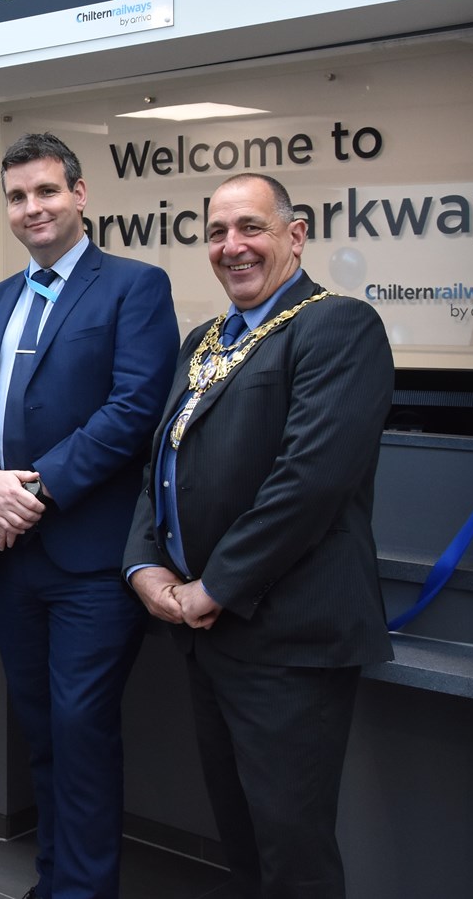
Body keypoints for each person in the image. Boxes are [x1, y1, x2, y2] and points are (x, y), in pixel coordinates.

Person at [123, 173, 394, 899]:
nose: (231, 246)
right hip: (206, 635)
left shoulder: (337, 326)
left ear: (295, 235)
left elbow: (308, 482)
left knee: (292, 853)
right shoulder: (203, 339)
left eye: (251, 228)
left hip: (287, 639)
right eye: (216, 232)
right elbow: (163, 465)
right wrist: (144, 565)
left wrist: (215, 586)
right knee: (240, 839)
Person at [0, 133, 178, 899]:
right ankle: (56, 878)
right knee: (40, 727)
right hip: (13, 559)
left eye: (46, 191)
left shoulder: (134, 287)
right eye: (17, 196)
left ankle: (83, 889)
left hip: (90, 562)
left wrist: (34, 493)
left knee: (81, 731)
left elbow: (134, 408)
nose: (32, 208)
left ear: (80, 193)